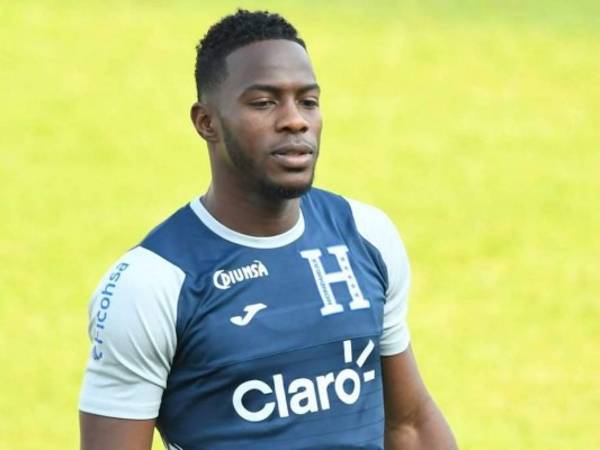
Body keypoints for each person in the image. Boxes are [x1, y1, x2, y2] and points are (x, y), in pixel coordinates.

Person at [79, 9, 458, 450]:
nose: (295, 120)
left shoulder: (365, 235)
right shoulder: (152, 284)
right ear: (206, 122)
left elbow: (409, 424)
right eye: (264, 103)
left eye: (308, 101)